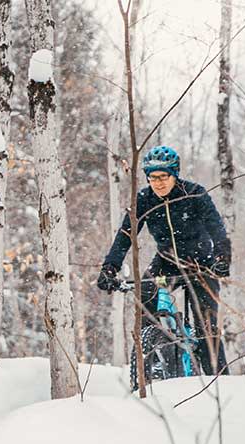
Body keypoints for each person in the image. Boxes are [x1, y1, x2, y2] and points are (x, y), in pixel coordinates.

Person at [96, 145, 231, 375]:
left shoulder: (195, 194)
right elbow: (125, 236)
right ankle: (153, 355)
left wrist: (222, 258)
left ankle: (217, 378)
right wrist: (110, 267)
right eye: (152, 177)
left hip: (201, 263)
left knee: (206, 327)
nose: (158, 183)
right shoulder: (145, 200)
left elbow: (216, 228)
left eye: (163, 176)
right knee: (145, 292)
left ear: (175, 173)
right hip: (166, 261)